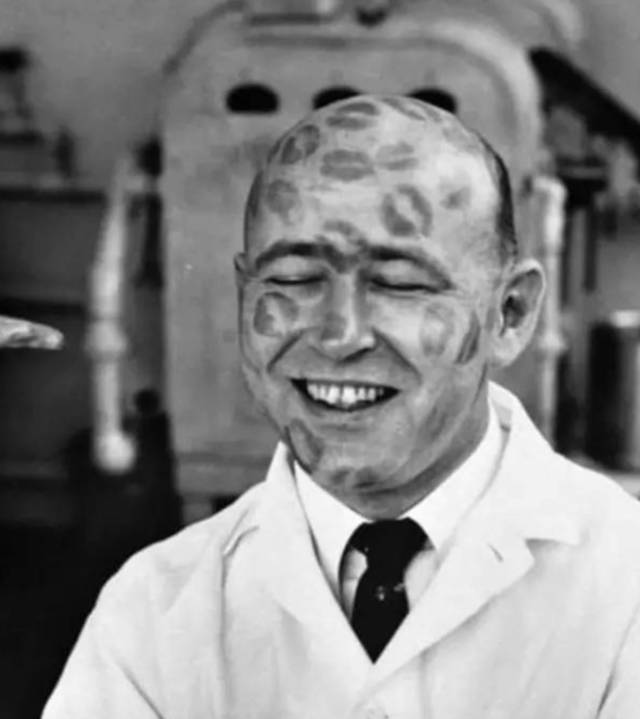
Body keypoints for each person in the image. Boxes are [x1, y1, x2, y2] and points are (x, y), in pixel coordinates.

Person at [43, 95, 640, 718]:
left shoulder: (626, 588)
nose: (339, 335)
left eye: (400, 283)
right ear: (245, 298)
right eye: (293, 278)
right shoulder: (152, 616)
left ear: (509, 314)